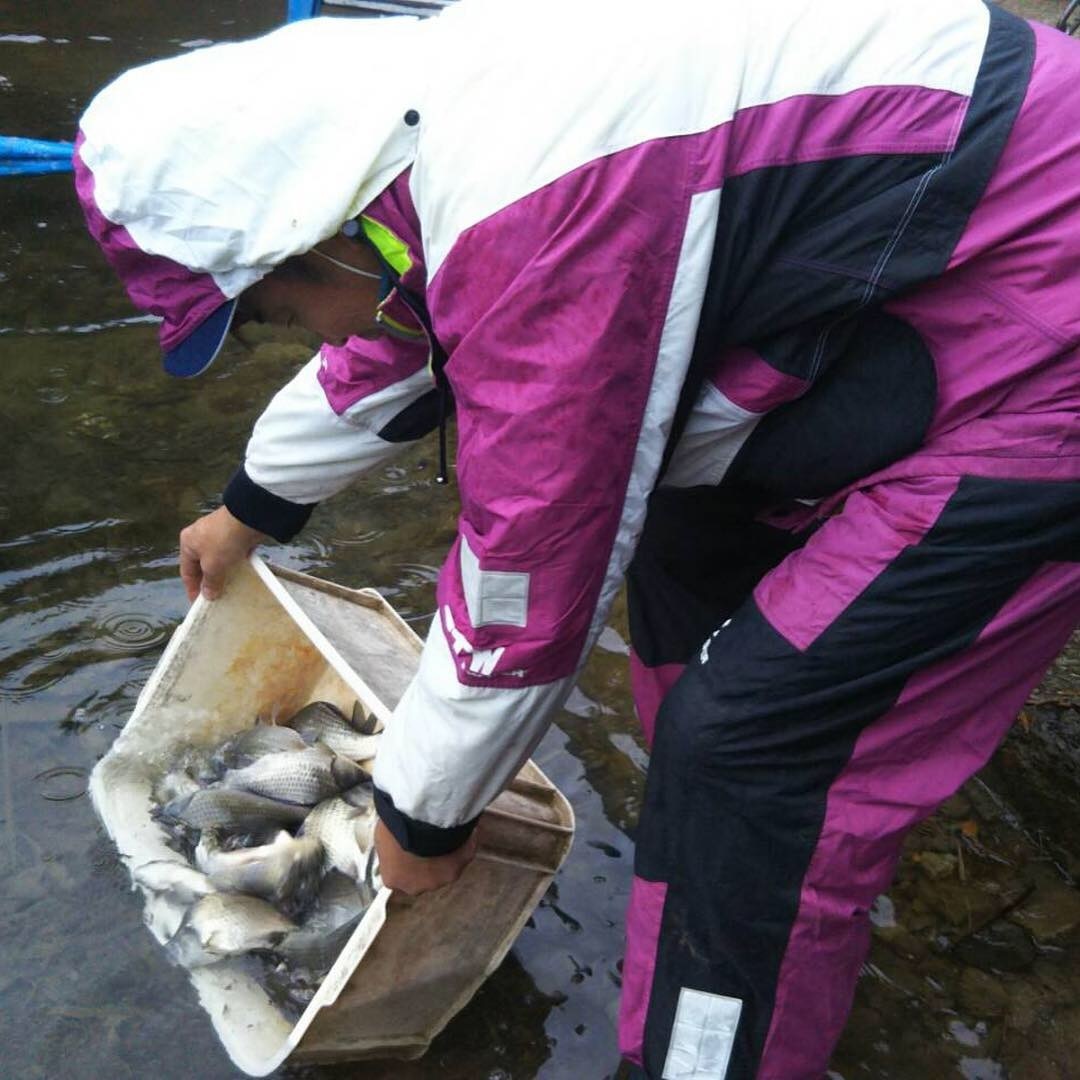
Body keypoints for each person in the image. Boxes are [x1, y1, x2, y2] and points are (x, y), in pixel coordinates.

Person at [74, 0, 1080, 1075]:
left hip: (1036, 327)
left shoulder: (537, 204)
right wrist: (252, 506)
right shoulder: (414, 150)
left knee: (750, 754)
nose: (307, 334)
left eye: (272, 315)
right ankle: (710, 880)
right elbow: (405, 332)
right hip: (902, 271)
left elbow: (529, 562)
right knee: (685, 583)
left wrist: (419, 823)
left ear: (303, 243)